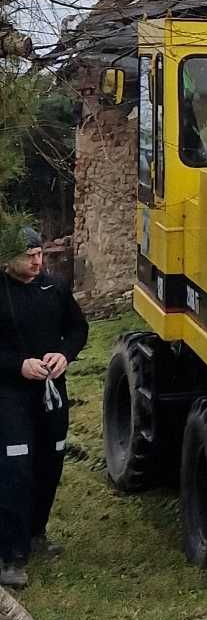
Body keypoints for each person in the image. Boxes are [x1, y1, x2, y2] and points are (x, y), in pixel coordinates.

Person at [0, 228, 88, 589]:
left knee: (50, 459)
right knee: (15, 468)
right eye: (29, 255)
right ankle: (10, 555)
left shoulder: (55, 288)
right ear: (8, 258)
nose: (37, 261)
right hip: (11, 395)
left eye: (40, 254)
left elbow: (78, 329)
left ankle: (36, 532)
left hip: (52, 391)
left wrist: (64, 354)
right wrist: (18, 365)